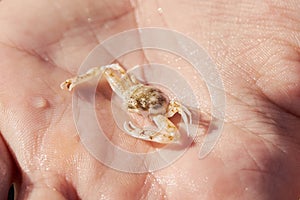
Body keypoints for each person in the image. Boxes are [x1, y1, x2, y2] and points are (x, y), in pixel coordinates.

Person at [0, 0, 299, 199]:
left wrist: (144, 130)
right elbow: (110, 69)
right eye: (133, 109)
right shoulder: (128, 90)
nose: (133, 113)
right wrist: (79, 81)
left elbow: (177, 131)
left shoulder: (166, 113)